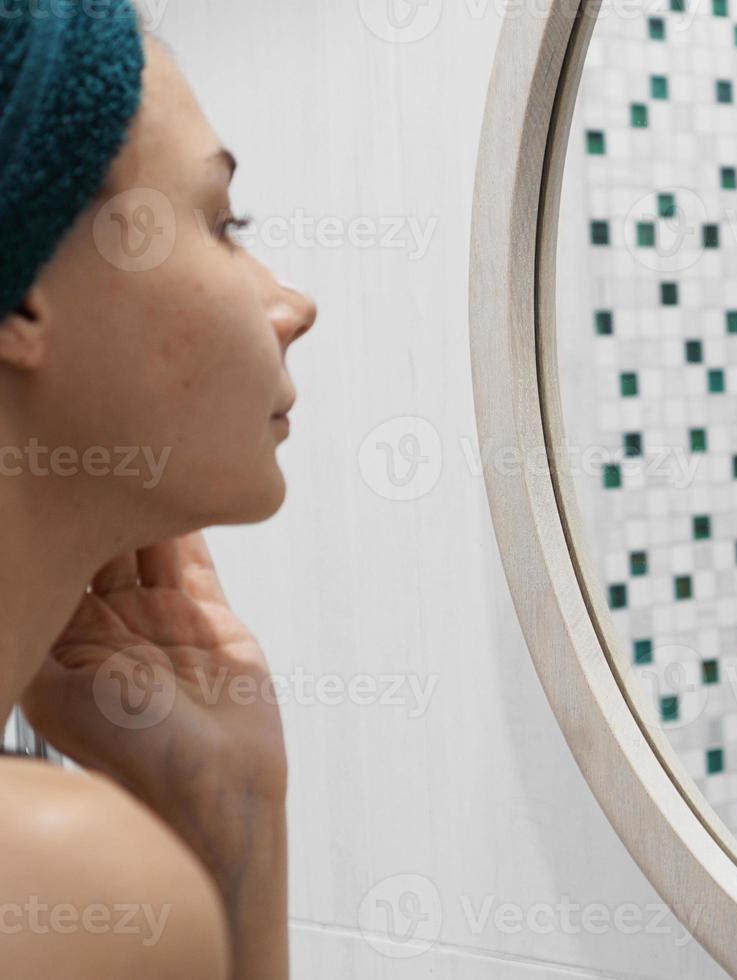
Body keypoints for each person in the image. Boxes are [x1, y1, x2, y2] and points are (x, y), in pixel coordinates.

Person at [0, 2, 316, 976]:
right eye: (224, 223)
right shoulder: (63, 880)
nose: (292, 306)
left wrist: (237, 815)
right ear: (20, 302)